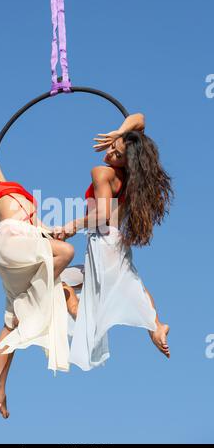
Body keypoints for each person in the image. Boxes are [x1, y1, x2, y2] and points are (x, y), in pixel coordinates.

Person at [55, 113, 174, 371]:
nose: (110, 154)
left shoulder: (102, 173)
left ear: (126, 162)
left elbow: (102, 215)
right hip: (113, 243)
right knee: (129, 283)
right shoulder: (130, 180)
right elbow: (139, 119)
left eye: (118, 154)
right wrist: (119, 133)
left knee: (58, 277)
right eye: (112, 148)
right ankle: (155, 326)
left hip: (103, 242)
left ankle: (78, 307)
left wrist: (70, 226)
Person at [0, 156, 75, 418]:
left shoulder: (11, 192)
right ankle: (39, 300)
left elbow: (42, 229)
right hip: (12, 240)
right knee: (66, 253)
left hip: (28, 241)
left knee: (12, 322)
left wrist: (55, 230)